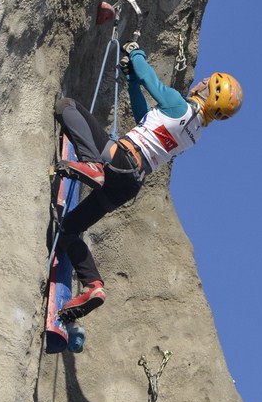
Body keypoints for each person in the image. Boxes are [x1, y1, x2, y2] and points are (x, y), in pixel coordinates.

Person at [53, 42, 243, 320]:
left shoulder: (180, 105)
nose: (200, 81)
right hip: (129, 183)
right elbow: (145, 116)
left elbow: (149, 78)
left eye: (207, 82)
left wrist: (136, 52)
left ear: (209, 93)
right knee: (70, 230)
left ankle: (92, 165)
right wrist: (130, 79)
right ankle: (93, 284)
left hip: (120, 160)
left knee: (66, 106)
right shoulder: (194, 134)